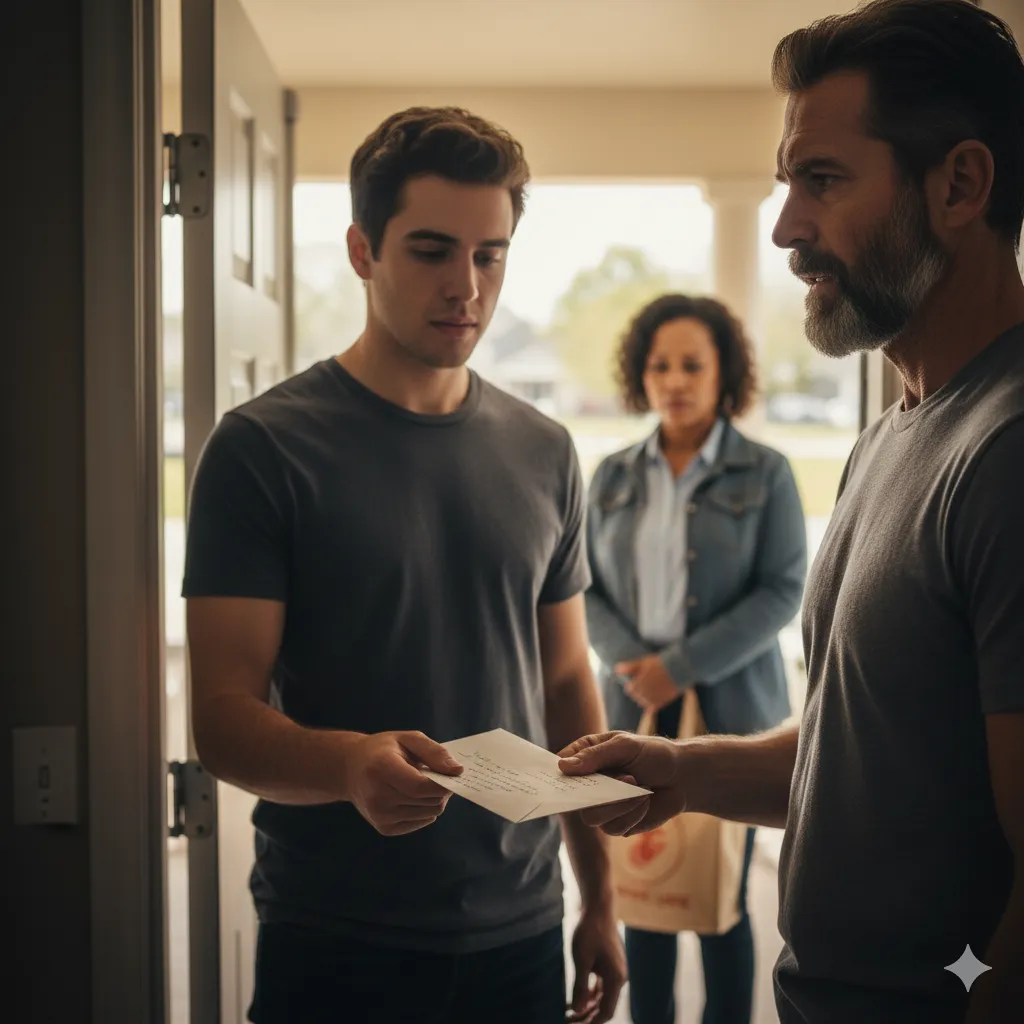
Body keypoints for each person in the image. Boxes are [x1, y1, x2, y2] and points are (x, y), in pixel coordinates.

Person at [559, 2, 1024, 1022]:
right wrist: (680, 767)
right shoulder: (893, 430)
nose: (783, 228)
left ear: (960, 184)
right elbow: (862, 748)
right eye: (783, 184)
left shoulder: (1007, 450)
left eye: (821, 180)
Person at [183, 106, 626, 1024]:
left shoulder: (545, 450)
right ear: (361, 250)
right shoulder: (263, 448)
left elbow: (565, 679)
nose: (466, 285)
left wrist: (601, 897)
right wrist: (351, 766)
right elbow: (222, 723)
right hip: (336, 936)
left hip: (521, 930)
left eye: (489, 254)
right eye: (431, 250)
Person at [585, 293, 806, 1024]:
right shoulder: (612, 475)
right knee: (642, 895)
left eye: (691, 364)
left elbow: (783, 591)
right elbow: (581, 589)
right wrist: (632, 663)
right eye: (659, 366)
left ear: (724, 373)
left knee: (722, 902)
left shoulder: (764, 472)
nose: (674, 380)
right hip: (630, 710)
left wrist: (677, 666)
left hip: (732, 714)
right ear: (639, 375)